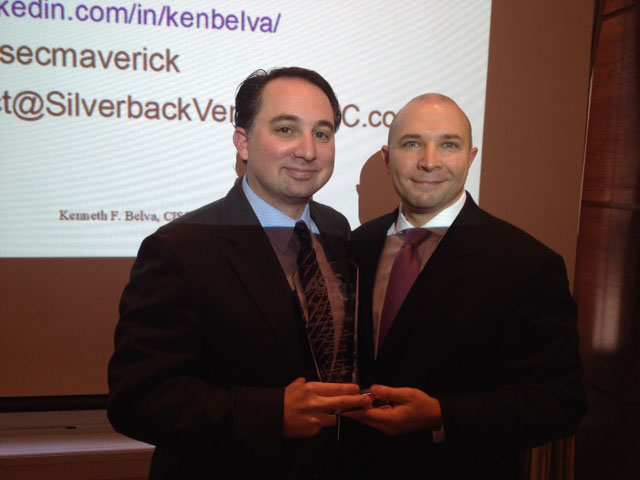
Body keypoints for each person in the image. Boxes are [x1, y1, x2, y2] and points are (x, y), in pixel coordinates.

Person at [107, 67, 370, 479]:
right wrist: (272, 413)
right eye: (286, 130)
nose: (307, 150)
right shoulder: (180, 249)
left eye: (322, 133)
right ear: (243, 143)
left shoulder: (338, 231)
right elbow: (138, 400)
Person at [344, 94, 586, 478]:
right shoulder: (355, 246)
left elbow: (559, 403)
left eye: (448, 144)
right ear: (388, 158)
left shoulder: (528, 265)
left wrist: (442, 415)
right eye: (411, 144)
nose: (429, 160)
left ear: (471, 158)